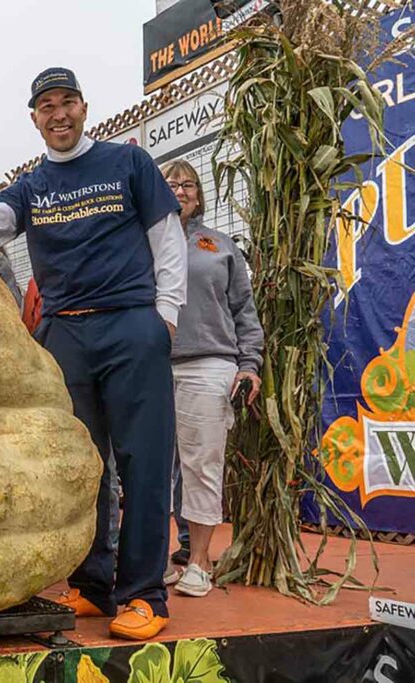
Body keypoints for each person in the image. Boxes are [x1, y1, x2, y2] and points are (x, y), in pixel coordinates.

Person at [0, 67, 187, 640]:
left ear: (84, 107)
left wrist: (165, 316)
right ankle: (94, 584)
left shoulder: (129, 163)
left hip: (130, 324)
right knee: (79, 465)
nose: (59, 114)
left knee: (143, 462)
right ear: (35, 118)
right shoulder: (32, 184)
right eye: (47, 106)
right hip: (64, 334)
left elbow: (167, 237)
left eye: (67, 102)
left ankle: (145, 595)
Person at [160, 159, 263, 597]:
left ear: (199, 196)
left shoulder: (217, 246)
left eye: (188, 184)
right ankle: (156, 561)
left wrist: (249, 364)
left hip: (208, 364)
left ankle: (199, 560)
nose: (180, 189)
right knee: (149, 469)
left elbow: (244, 310)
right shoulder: (141, 244)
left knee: (202, 464)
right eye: (170, 183)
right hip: (150, 365)